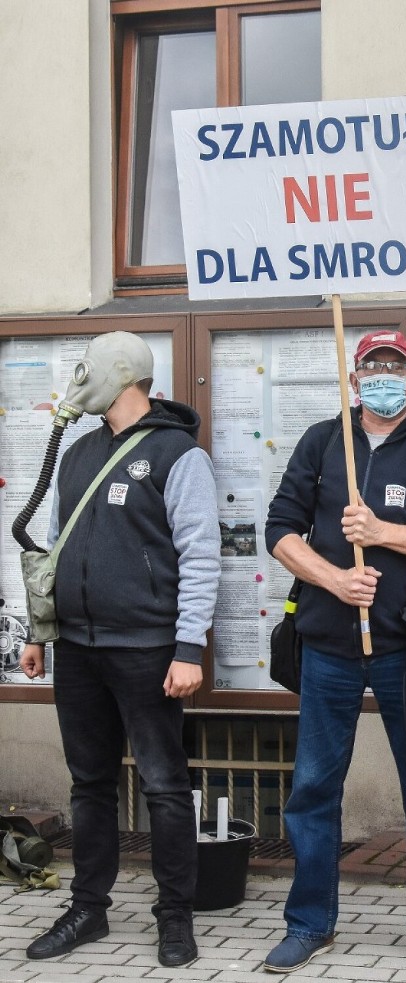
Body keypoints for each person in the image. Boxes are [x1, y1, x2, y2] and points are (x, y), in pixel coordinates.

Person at [264, 330, 406, 979]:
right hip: (328, 645)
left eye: (397, 367)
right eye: (373, 367)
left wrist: (383, 532)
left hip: (405, 646)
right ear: (353, 378)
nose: (385, 377)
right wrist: (333, 577)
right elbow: (279, 529)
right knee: (312, 789)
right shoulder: (321, 441)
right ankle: (308, 923)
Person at [20, 332, 221, 968]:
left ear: (122, 374)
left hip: (149, 649)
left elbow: (200, 553)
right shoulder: (78, 453)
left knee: (163, 784)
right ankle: (88, 909)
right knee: (90, 785)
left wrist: (189, 646)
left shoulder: (176, 454)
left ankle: (175, 916)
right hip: (77, 650)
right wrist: (38, 631)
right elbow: (53, 549)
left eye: (89, 369)